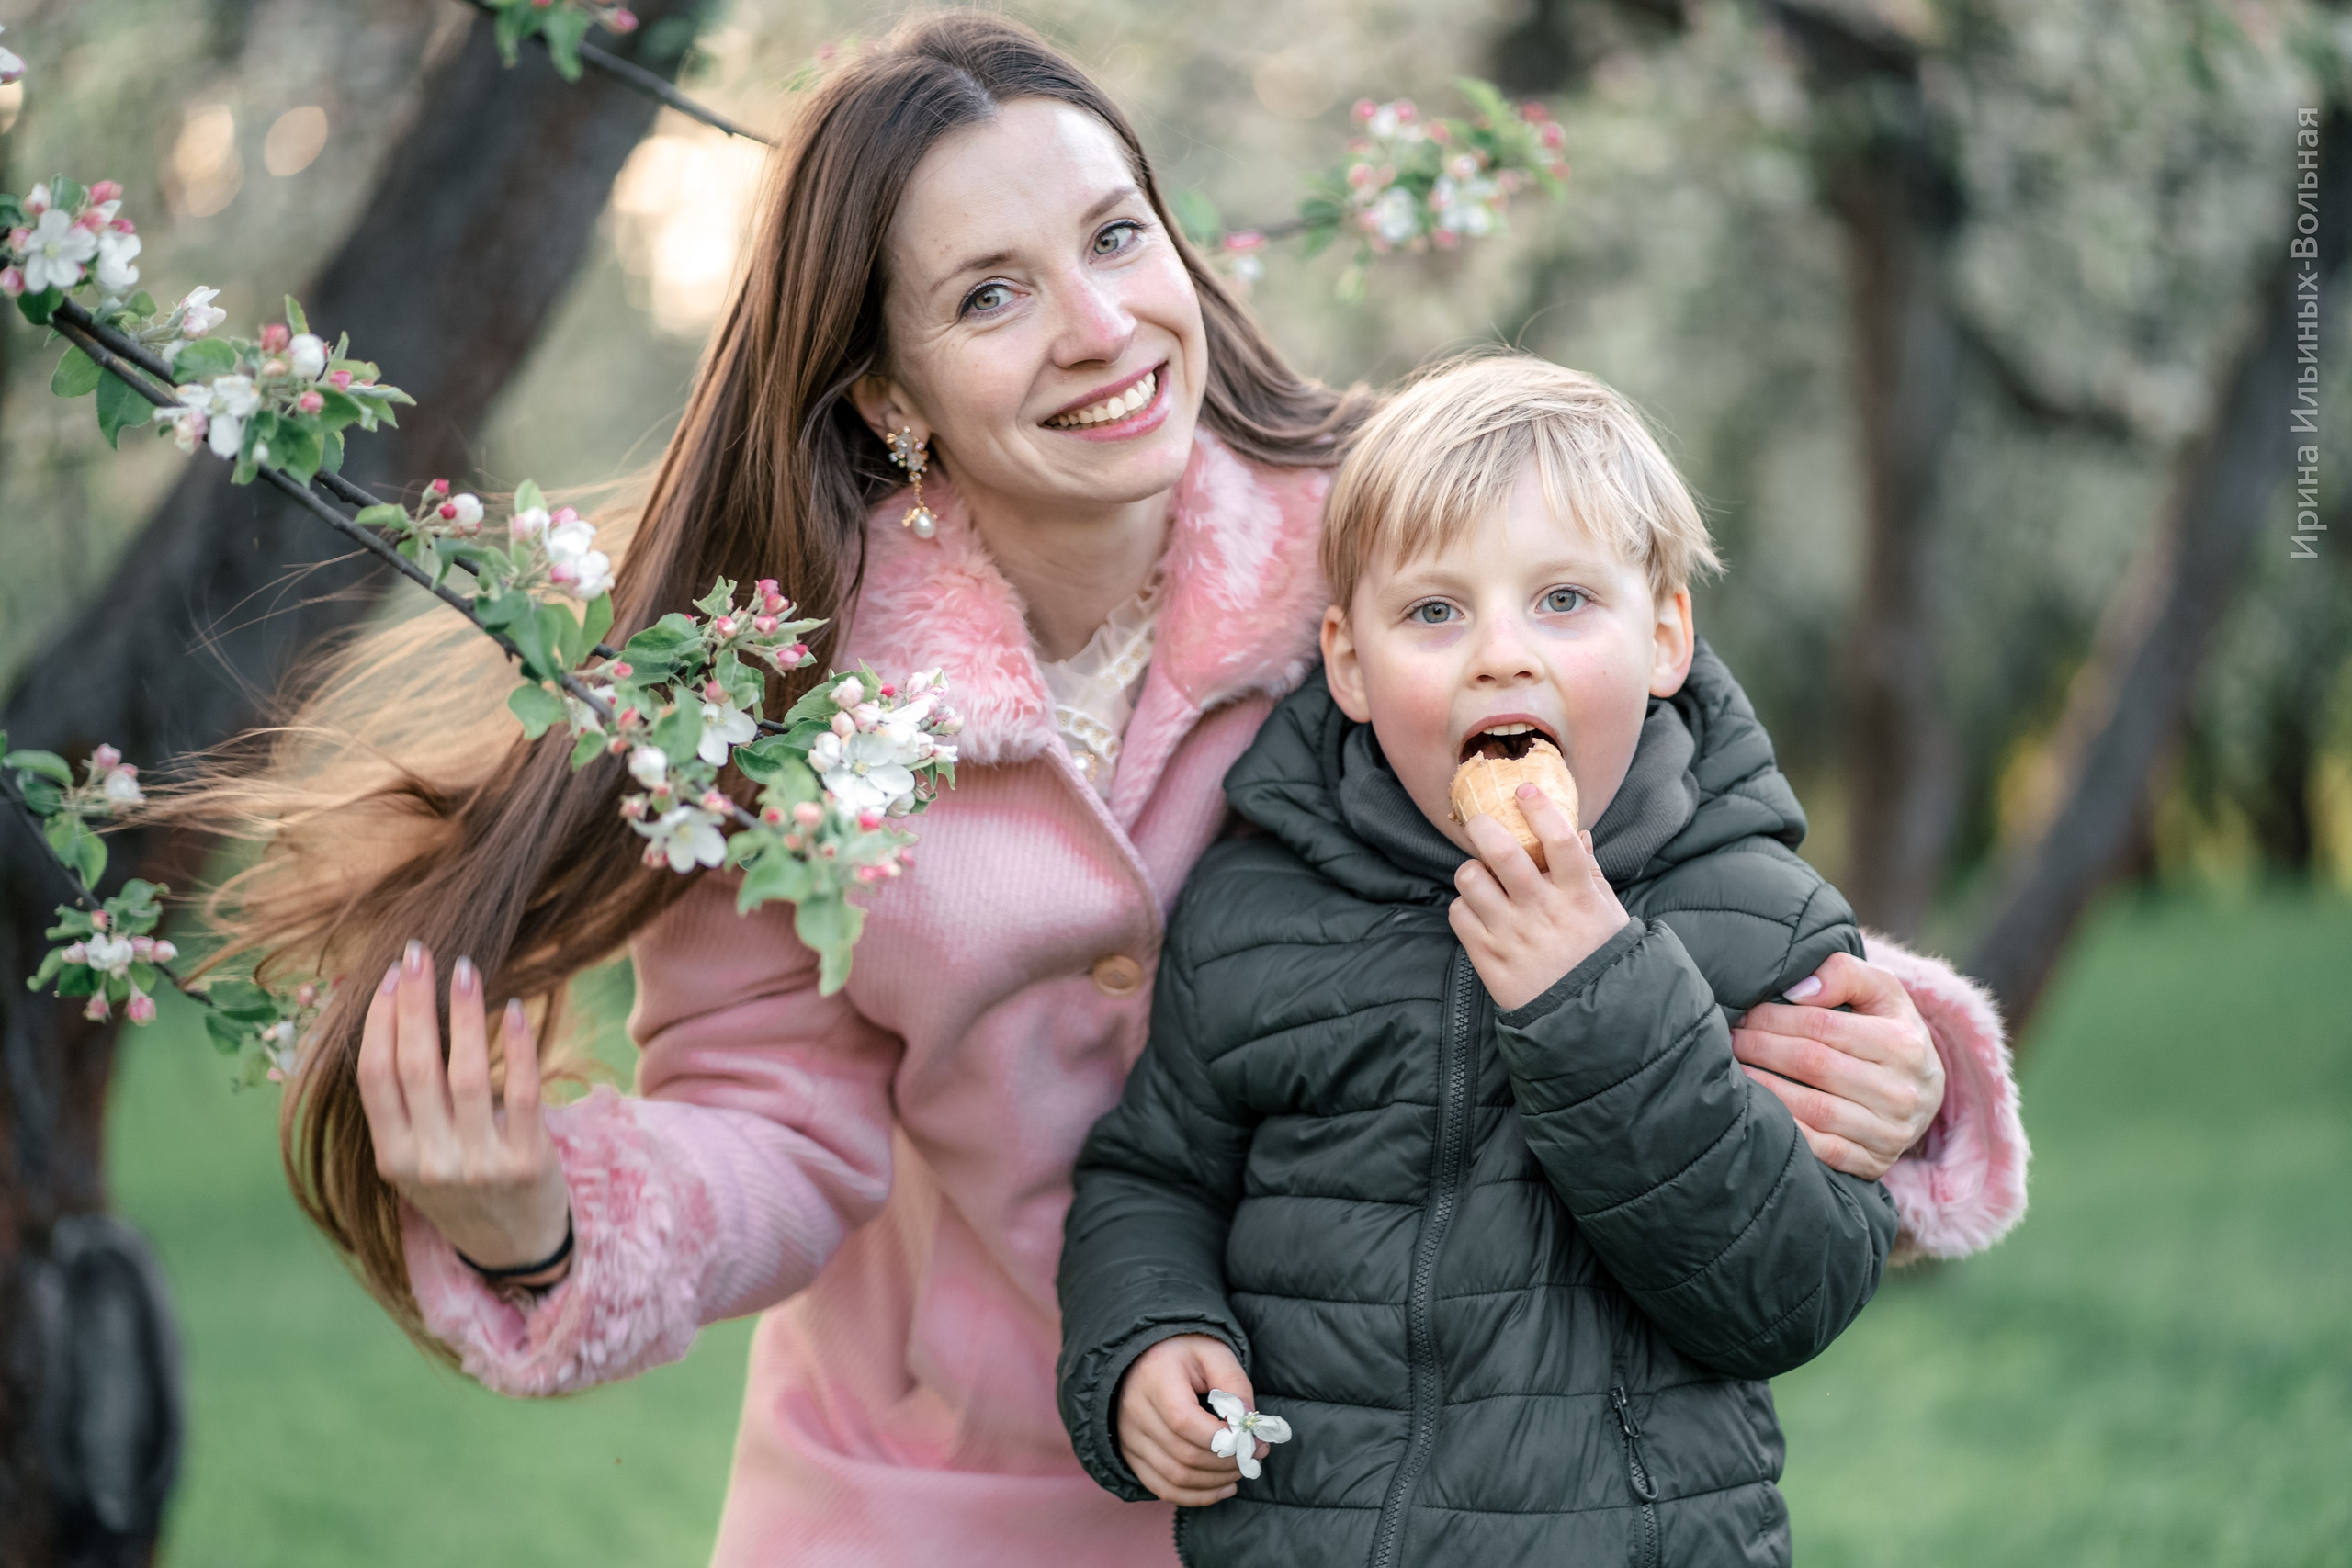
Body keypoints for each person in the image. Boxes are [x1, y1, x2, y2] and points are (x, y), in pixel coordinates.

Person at [200, 16, 2018, 1566]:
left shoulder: (1408, 567)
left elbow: (1681, 824)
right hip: (926, 1488)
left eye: (1115, 237)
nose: (1096, 325)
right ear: (886, 391)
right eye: (991, 293)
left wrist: (1890, 1049)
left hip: (1356, 1481)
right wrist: (546, 1221)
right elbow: (776, 1121)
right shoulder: (787, 708)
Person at [1055, 355, 2007, 1566]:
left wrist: (1595, 998)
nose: (1500, 655)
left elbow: (1786, 1291)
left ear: (1665, 635)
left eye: (1563, 600)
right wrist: (1147, 1338)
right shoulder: (1259, 907)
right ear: (1349, 664)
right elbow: (1153, 1178)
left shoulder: (1758, 922)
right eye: (1435, 612)